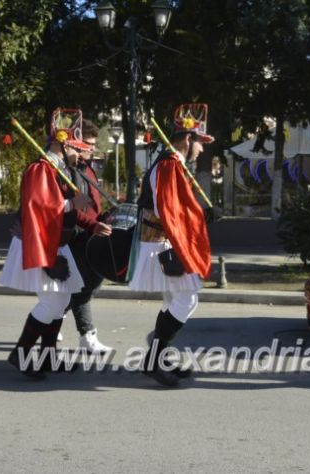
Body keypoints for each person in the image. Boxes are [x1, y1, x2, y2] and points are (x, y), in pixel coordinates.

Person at [0, 108, 92, 379]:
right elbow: (38, 208)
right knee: (52, 302)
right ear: (62, 143)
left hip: (57, 243)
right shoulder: (41, 168)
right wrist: (72, 203)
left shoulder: (61, 169)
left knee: (61, 300)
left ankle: (48, 357)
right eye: (77, 148)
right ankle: (22, 353)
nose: (80, 154)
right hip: (39, 242)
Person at [129, 103, 213, 387]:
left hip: (162, 241)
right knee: (187, 298)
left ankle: (158, 359)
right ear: (188, 139)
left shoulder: (172, 164)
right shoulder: (168, 164)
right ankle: (154, 361)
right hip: (160, 243)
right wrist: (199, 217)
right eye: (199, 143)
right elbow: (171, 210)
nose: (201, 151)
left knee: (172, 300)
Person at [64, 119, 113, 353]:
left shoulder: (89, 169)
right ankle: (87, 335)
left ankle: (54, 319)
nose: (92, 149)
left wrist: (107, 216)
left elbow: (94, 204)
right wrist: (93, 225)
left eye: (93, 145)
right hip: (76, 236)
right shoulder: (68, 172)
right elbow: (73, 210)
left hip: (93, 233)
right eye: (88, 145)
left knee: (92, 283)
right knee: (82, 287)